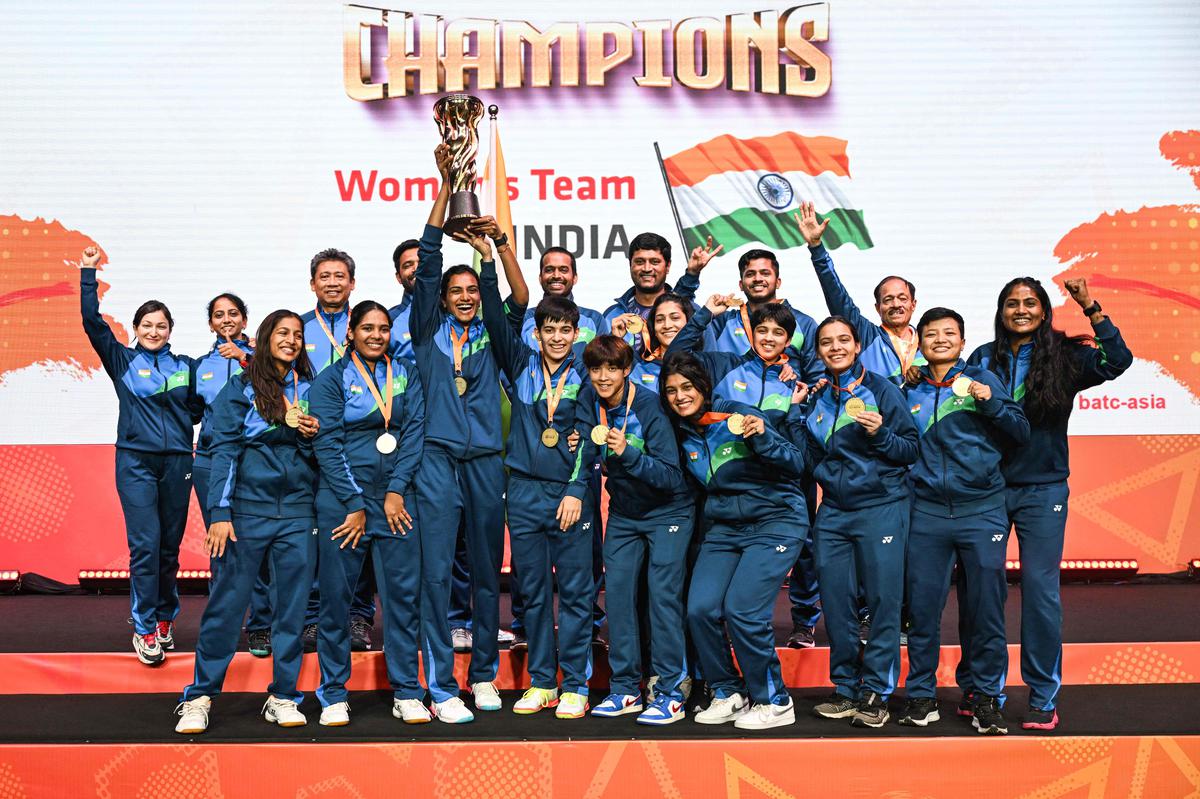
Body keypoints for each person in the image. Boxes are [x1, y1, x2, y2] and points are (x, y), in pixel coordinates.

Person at [964, 277, 1131, 730]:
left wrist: (1090, 306)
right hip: (988, 490)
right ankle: (984, 689)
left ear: (1043, 310)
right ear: (1001, 310)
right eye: (1012, 303)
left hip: (1043, 491)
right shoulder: (983, 358)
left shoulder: (1066, 356)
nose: (1021, 310)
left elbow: (1118, 360)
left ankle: (1042, 694)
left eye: (1030, 303)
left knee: (1040, 595)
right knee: (983, 592)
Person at [174, 310, 320, 734]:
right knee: (226, 607)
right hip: (246, 513)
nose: (291, 340)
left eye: (297, 334)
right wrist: (219, 513)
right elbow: (224, 452)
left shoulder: (310, 389)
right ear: (265, 337)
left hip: (297, 514)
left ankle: (283, 696)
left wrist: (313, 436)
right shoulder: (239, 389)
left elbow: (325, 454)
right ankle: (199, 696)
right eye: (282, 333)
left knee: (291, 612)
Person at [472, 231, 594, 719]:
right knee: (535, 593)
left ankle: (577, 684)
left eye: (566, 330)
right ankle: (543, 681)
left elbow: (590, 436)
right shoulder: (518, 364)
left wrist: (576, 489)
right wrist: (488, 262)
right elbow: (495, 316)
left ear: (575, 332)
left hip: (568, 496)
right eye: (550, 330)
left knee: (578, 593)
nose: (558, 338)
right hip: (521, 492)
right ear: (538, 334)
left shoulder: (588, 374)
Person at [408, 145, 507, 722]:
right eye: (457, 291)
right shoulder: (425, 333)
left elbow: (500, 299)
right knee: (438, 573)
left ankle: (487, 676)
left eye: (472, 290)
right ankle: (442, 684)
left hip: (487, 460)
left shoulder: (493, 334)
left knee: (488, 578)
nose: (466, 297)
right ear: (442, 299)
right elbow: (426, 261)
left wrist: (486, 254)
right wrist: (446, 186)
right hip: (436, 461)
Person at [661, 352, 808, 730]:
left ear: (704, 387)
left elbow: (795, 462)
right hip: (725, 528)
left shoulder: (736, 413)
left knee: (743, 610)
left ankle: (774, 700)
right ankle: (729, 691)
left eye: (687, 387)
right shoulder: (679, 429)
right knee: (700, 609)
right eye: (672, 391)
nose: (680, 396)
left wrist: (762, 439)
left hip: (776, 519)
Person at [899, 307, 1029, 736]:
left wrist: (989, 402)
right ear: (919, 340)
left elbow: (1020, 430)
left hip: (982, 510)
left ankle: (985, 695)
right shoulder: (908, 387)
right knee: (922, 610)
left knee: (986, 609)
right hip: (927, 513)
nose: (940, 340)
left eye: (949, 333)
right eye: (931, 333)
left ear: (961, 339)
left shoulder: (981, 380)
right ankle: (921, 694)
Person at [308, 300, 428, 726]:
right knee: (337, 600)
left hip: (396, 501)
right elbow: (327, 445)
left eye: (382, 329)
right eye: (368, 328)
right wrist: (356, 503)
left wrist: (396, 490)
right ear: (351, 333)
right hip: (344, 504)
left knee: (402, 599)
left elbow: (414, 434)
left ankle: (408, 691)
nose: (377, 335)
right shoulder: (330, 380)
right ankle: (334, 693)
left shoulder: (407, 373)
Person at [795, 317, 918, 728]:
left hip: (882, 505)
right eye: (826, 343)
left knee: (883, 602)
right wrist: (824, 475)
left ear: (857, 345)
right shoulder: (817, 398)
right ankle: (846, 686)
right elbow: (811, 454)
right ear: (817, 351)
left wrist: (881, 434)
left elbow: (909, 449)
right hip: (833, 511)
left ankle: (876, 691)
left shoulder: (882, 390)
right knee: (836, 602)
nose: (835, 348)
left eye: (843, 340)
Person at [78, 246, 198, 666]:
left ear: (170, 329)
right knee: (145, 546)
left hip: (180, 463)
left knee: (169, 550)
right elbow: (92, 324)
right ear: (135, 329)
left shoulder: (186, 366)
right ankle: (145, 626)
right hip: (135, 462)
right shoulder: (122, 361)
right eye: (146, 325)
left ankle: (166, 618)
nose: (154, 330)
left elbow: (200, 407)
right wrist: (88, 274)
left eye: (161, 325)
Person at [575, 336, 695, 725]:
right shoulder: (589, 403)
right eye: (596, 368)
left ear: (627, 370)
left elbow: (671, 475)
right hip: (626, 514)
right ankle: (626, 689)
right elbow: (587, 453)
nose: (604, 376)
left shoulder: (648, 406)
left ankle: (671, 691)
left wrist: (628, 453)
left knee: (662, 599)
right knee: (620, 599)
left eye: (612, 368)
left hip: (668, 511)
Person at [300, 248, 376, 653]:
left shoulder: (369, 324)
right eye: (324, 276)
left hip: (361, 452)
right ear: (313, 284)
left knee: (360, 531)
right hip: (310, 449)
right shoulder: (298, 329)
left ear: (352, 283)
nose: (332, 282)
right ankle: (315, 618)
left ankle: (360, 617)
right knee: (320, 538)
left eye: (340, 276)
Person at [192, 294, 274, 658]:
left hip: (252, 461)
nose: (226, 319)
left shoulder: (261, 359)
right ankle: (221, 625)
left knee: (254, 544)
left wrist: (244, 358)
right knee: (219, 545)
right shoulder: (200, 365)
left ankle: (260, 626)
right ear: (211, 323)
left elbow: (272, 389)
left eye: (233, 314)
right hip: (210, 461)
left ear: (244, 319)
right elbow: (194, 412)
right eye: (218, 315)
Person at [796, 202, 924, 386]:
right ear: (877, 308)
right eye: (887, 300)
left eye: (902, 298)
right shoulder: (867, 335)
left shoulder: (930, 339)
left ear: (913, 304)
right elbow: (837, 296)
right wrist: (816, 248)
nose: (896, 304)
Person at [602, 232, 701, 346]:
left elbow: (709, 360)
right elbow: (600, 361)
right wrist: (614, 342)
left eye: (655, 262)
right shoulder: (612, 314)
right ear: (630, 265)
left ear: (667, 266)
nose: (647, 268)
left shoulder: (693, 311)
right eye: (639, 262)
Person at [388, 239, 419, 360]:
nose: (416, 268)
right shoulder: (388, 320)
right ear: (399, 277)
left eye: (422, 262)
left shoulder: (452, 313)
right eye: (408, 265)